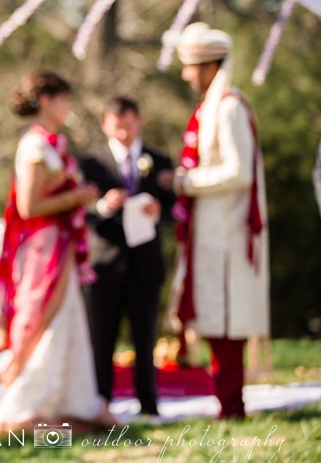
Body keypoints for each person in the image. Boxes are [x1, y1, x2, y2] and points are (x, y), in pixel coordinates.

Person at [0, 71, 115, 435]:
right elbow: (28, 206)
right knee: (42, 319)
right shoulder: (35, 146)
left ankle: (71, 403)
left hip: (60, 244)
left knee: (67, 318)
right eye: (63, 99)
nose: (67, 107)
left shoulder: (54, 144)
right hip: (42, 247)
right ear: (46, 101)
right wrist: (79, 196)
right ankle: (23, 405)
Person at [170, 22, 269, 419]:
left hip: (228, 232)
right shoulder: (211, 108)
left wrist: (186, 181)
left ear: (208, 66)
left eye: (190, 67)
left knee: (227, 322)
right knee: (213, 319)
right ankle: (226, 404)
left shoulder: (228, 108)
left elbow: (239, 172)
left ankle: (232, 407)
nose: (186, 75)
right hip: (209, 232)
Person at [79, 96, 176, 417]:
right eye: (117, 122)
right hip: (104, 263)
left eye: (129, 122)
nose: (123, 128)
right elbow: (80, 211)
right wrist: (103, 206)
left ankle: (148, 405)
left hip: (145, 263)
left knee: (145, 338)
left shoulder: (159, 160)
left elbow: (175, 209)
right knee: (101, 339)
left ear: (139, 121)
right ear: (106, 124)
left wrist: (159, 211)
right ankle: (100, 405)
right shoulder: (90, 163)